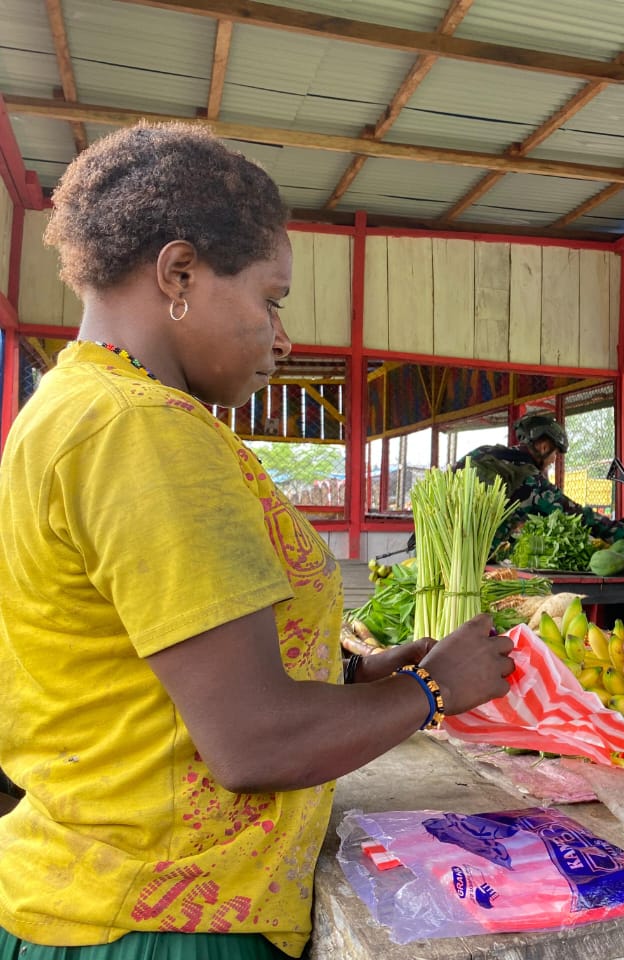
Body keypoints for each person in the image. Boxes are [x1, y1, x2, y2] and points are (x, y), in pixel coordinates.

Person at [0, 123, 515, 959]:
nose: (283, 338)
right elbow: (253, 742)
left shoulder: (73, 406)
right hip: (166, 922)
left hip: (93, 886)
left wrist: (351, 674)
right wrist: (431, 690)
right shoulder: (144, 432)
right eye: (270, 300)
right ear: (179, 273)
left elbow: (133, 666)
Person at [457, 410, 624, 556]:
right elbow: (577, 516)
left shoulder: (484, 452)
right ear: (544, 447)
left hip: (443, 544)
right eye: (556, 454)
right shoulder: (532, 481)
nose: (554, 460)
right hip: (470, 558)